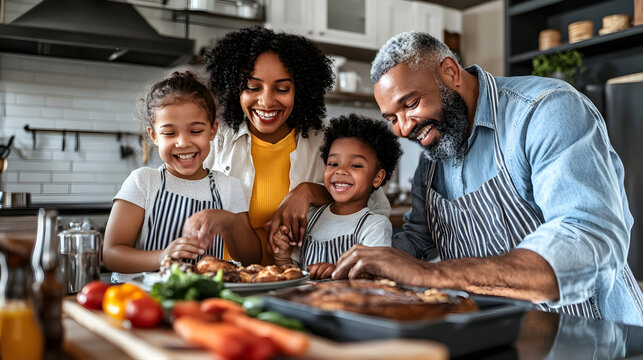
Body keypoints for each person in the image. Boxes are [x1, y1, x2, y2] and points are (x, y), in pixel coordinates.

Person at [332, 31, 643, 325]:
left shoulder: (544, 110)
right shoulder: (433, 158)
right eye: (391, 119)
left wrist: (435, 275)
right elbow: (417, 240)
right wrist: (364, 265)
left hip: (597, 335)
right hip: (504, 335)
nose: (402, 128)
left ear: (450, 72)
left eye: (411, 104)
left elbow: (586, 241)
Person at [193, 27, 390, 265]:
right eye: (253, 87)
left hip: (295, 285)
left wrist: (309, 191)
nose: (266, 101)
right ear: (235, 89)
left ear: (301, 90)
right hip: (223, 281)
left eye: (282, 89)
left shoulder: (327, 143)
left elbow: (376, 208)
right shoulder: (215, 140)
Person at [103, 71, 261, 283]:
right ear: (154, 135)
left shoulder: (229, 187)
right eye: (169, 133)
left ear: (212, 130)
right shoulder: (143, 182)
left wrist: (228, 222)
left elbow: (251, 259)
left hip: (198, 301)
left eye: (195, 131)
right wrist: (162, 257)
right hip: (138, 299)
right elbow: (112, 255)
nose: (183, 143)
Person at [271, 114, 402, 279]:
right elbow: (293, 276)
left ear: (377, 178)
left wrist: (338, 271)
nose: (340, 170)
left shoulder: (375, 225)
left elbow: (376, 277)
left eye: (355, 165)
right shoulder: (312, 216)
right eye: (333, 164)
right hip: (305, 304)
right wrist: (282, 256)